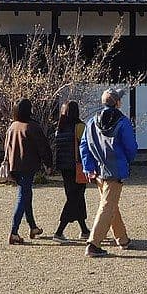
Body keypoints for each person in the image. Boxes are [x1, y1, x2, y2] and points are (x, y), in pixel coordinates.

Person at [80, 88, 139, 258]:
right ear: (117, 103)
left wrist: (88, 166)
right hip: (116, 169)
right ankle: (93, 244)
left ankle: (122, 239)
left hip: (98, 169)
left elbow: (84, 145)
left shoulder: (92, 121)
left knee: (110, 204)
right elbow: (130, 147)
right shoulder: (123, 122)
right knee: (108, 206)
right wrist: (127, 160)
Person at [3, 98, 53, 246]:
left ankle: (33, 227)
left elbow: (6, 147)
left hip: (14, 166)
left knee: (26, 195)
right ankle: (14, 232)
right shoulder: (32, 126)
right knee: (23, 196)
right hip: (27, 165)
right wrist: (48, 163)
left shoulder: (12, 126)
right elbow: (43, 146)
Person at [51, 101, 90, 241]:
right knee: (75, 198)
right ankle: (59, 231)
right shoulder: (80, 127)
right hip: (77, 167)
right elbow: (87, 146)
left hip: (64, 167)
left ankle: (84, 230)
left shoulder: (59, 128)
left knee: (76, 197)